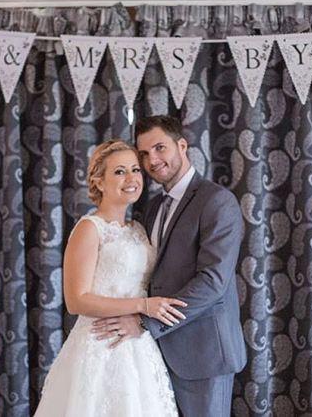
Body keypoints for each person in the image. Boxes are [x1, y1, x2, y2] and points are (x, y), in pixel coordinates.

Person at [92, 115, 247, 417]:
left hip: (203, 355)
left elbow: (213, 282)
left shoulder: (216, 201)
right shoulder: (150, 207)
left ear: (182, 145)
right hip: (153, 356)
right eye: (145, 154)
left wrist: (144, 323)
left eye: (160, 148)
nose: (153, 160)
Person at [34, 140, 186, 417]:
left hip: (138, 346)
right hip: (99, 345)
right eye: (119, 172)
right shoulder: (89, 228)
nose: (131, 179)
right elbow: (76, 300)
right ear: (99, 182)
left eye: (135, 170)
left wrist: (143, 313)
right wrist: (143, 305)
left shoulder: (139, 229)